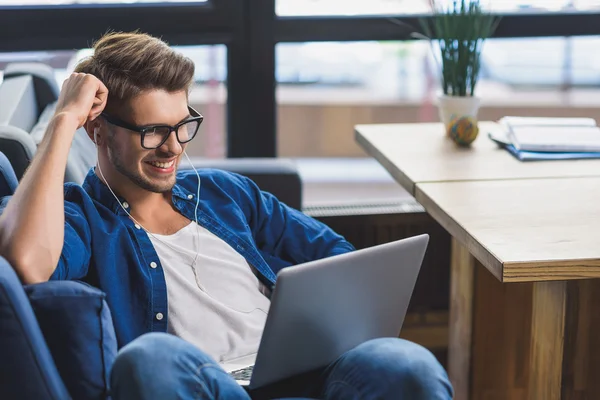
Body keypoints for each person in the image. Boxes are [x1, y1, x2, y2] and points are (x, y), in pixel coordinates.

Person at [0, 32, 453, 400]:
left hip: (305, 371)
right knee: (149, 358)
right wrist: (64, 119)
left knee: (405, 363)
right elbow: (23, 262)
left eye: (182, 125)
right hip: (209, 385)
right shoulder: (81, 218)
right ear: (98, 129)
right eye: (154, 131)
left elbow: (339, 257)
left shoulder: (223, 192)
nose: (174, 147)